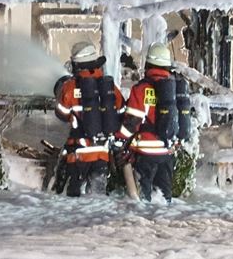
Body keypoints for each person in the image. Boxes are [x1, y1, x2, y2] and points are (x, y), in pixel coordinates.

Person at [116, 42, 186, 203]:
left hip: (145, 154)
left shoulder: (141, 89)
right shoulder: (174, 87)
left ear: (148, 64)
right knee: (164, 200)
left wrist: (119, 140)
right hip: (167, 152)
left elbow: (132, 122)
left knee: (143, 202)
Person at [53, 41, 125, 197]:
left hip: (78, 154)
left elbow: (61, 113)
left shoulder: (70, 87)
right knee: (96, 200)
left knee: (73, 202)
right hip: (102, 154)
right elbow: (121, 111)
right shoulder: (110, 87)